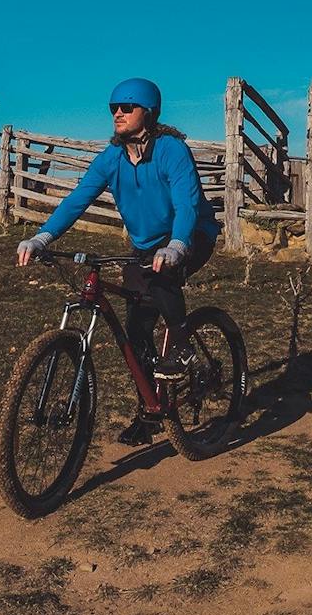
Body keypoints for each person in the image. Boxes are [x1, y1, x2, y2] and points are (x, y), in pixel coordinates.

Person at [16, 78, 220, 445]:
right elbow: (77, 200)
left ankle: (183, 344)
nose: (118, 114)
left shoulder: (171, 150)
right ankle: (150, 412)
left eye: (127, 107)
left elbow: (187, 204)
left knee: (161, 277)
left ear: (149, 112)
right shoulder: (112, 158)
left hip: (190, 234)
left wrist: (177, 245)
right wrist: (42, 237)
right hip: (144, 247)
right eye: (114, 108)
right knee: (136, 331)